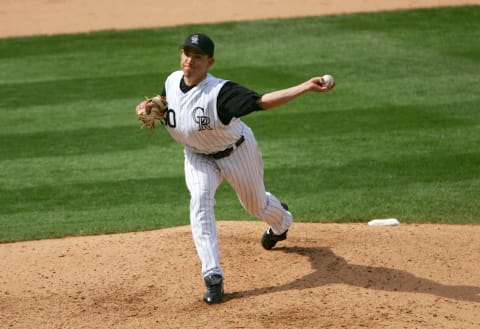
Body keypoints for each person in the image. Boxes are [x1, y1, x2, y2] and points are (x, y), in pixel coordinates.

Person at [145, 33, 335, 304]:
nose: (190, 61)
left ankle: (281, 221)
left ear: (209, 62)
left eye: (197, 57)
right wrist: (151, 105)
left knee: (256, 206)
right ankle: (213, 276)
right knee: (200, 201)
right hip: (198, 156)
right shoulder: (173, 79)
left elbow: (263, 101)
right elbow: (165, 99)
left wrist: (304, 86)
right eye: (186, 54)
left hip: (236, 152)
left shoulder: (221, 93)